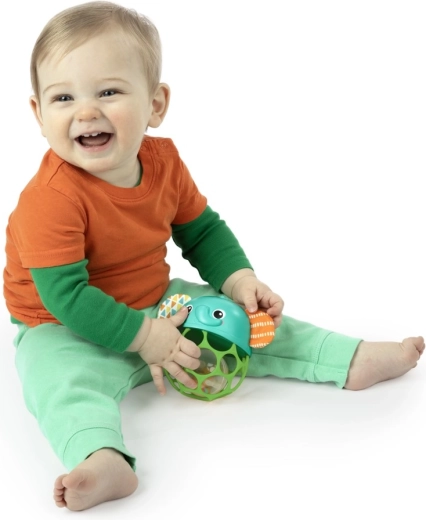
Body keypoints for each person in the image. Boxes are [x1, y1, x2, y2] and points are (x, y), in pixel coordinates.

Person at [3, 0, 424, 512]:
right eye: (63, 97)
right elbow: (66, 297)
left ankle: (344, 357)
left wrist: (239, 280)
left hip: (157, 302)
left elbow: (200, 231)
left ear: (156, 104)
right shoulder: (50, 199)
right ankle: (101, 456)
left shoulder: (163, 162)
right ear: (39, 114)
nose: (86, 112)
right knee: (59, 384)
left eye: (108, 92)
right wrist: (145, 338)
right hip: (62, 326)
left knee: (245, 321)